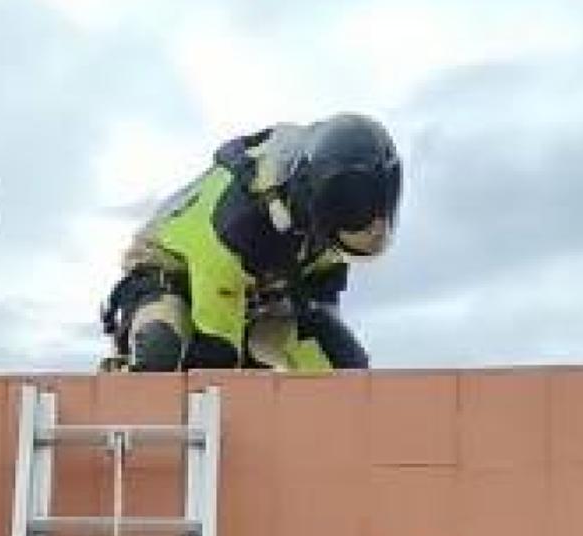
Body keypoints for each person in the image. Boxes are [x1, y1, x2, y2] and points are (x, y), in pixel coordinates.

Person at [101, 113, 401, 371]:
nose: (371, 227)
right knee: (162, 349)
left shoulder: (330, 231)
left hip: (255, 301)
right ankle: (126, 392)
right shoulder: (242, 221)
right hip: (169, 277)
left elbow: (322, 311)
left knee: (338, 363)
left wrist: (335, 348)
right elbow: (216, 344)